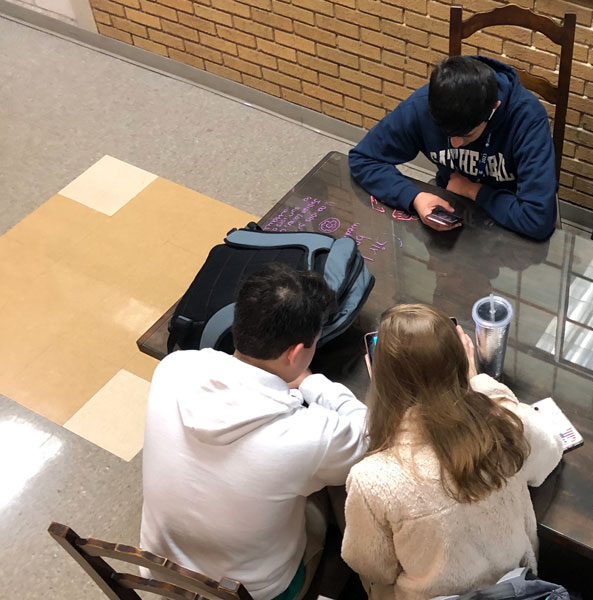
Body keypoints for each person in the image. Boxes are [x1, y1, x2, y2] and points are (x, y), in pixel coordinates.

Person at [140, 263, 368, 600]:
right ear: (295, 352)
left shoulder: (174, 368)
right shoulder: (308, 434)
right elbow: (366, 437)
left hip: (163, 571)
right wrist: (311, 381)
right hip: (260, 590)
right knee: (337, 494)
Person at [341, 304, 564, 600]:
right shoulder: (505, 423)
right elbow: (551, 452)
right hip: (516, 590)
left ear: (378, 378)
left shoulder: (371, 479)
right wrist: (480, 383)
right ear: (463, 361)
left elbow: (372, 567)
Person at [349, 55, 558, 240]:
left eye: (467, 135)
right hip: (451, 203)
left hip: (510, 216)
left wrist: (472, 190)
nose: (455, 144)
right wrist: (414, 197)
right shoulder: (422, 106)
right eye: (446, 134)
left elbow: (537, 219)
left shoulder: (527, 118)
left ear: (494, 108)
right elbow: (363, 158)